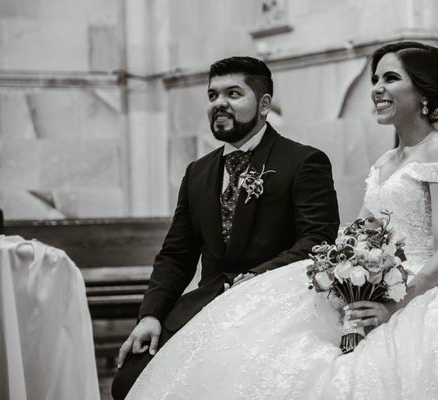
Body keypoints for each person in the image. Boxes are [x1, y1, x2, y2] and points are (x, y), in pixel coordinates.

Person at [126, 43, 438, 399]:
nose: (377, 89)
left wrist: (391, 306)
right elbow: (362, 235)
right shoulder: (387, 161)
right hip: (374, 283)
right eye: (375, 79)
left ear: (423, 91)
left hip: (429, 289)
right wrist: (339, 273)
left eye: (391, 78)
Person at [111, 56, 340, 399]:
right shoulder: (198, 172)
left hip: (275, 306)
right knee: (129, 381)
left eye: (233, 94)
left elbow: (317, 239)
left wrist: (254, 280)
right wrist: (151, 315)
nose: (219, 103)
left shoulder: (303, 162)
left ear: (264, 105)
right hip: (207, 304)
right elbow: (177, 253)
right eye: (213, 95)